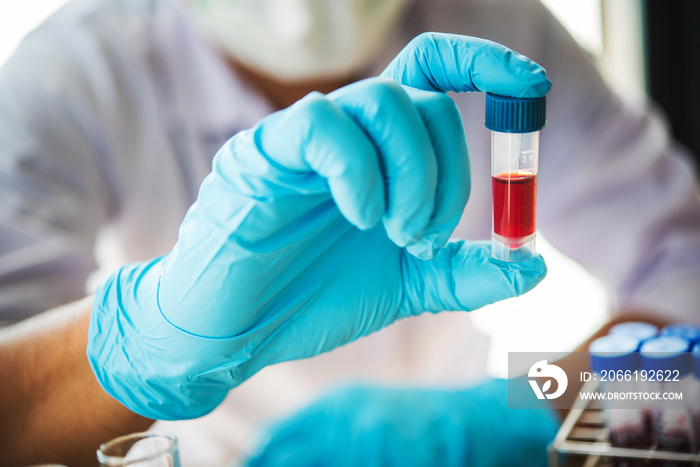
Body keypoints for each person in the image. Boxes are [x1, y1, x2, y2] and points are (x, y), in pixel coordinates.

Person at [0, 0, 698, 465]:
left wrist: (521, 404)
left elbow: (688, 290)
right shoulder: (75, 71)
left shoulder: (497, 27)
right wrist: (139, 346)